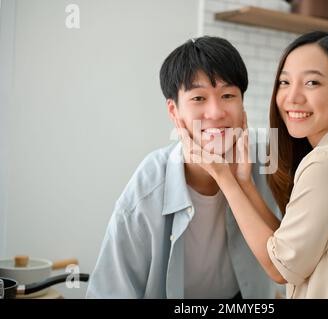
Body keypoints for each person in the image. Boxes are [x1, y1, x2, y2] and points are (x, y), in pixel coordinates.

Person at [177, 31, 328, 298]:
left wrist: (222, 176)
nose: (292, 97)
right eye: (284, 82)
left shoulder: (326, 164)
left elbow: (280, 267)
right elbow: (289, 249)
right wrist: (245, 184)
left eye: (311, 82)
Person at [86, 36, 280, 299]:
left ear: (242, 103)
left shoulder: (265, 161)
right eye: (199, 98)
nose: (215, 112)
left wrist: (238, 182)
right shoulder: (150, 182)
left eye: (228, 95)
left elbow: (290, 260)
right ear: (174, 111)